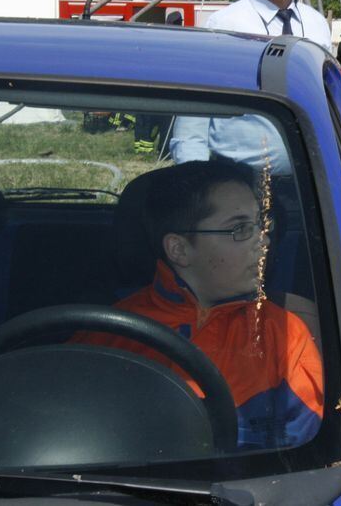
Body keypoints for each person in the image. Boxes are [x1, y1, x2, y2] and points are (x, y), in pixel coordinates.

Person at [77, 160, 323, 449]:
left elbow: (308, 453)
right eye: (240, 229)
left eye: (262, 225)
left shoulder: (285, 333)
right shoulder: (107, 333)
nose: (263, 241)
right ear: (179, 249)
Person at [170, 0, 331, 167]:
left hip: (309, 184)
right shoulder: (224, 26)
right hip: (238, 182)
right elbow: (193, 120)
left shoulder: (317, 25)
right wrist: (196, 181)